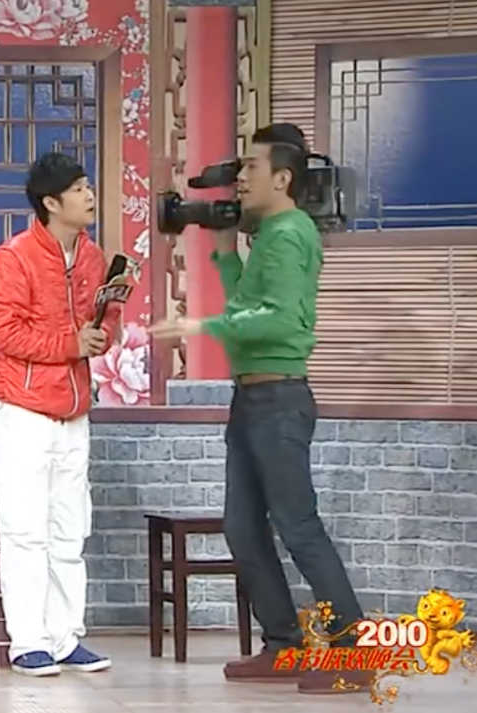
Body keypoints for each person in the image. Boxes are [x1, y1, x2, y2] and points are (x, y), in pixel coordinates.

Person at [149, 124, 368, 695]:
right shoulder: (270, 234)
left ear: (283, 178)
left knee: (298, 525)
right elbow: (248, 302)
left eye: (250, 167)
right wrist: (224, 248)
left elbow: (278, 319)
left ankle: (354, 650)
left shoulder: (291, 233)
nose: (240, 178)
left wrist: (199, 326)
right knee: (243, 527)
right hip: (251, 398)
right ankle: (283, 646)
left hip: (279, 400)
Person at [0, 153, 121, 677]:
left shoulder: (92, 257)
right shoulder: (13, 258)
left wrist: (104, 332)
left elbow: (103, 324)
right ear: (51, 203)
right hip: (22, 412)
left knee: (69, 530)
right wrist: (70, 343)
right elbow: (3, 333)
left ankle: (65, 637)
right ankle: (28, 642)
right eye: (79, 188)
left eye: (88, 185)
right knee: (24, 531)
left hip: (73, 412)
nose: (89, 195)